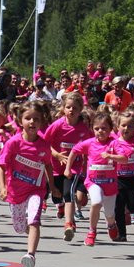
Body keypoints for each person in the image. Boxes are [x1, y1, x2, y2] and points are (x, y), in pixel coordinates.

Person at [0, 102, 58, 267]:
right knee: (19, 227)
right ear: (19, 120)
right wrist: (2, 188)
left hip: (36, 190)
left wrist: (52, 186)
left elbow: (48, 166)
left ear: (42, 122)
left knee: (34, 220)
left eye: (36, 119)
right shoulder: (13, 143)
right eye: (28, 118)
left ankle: (30, 255)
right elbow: (2, 166)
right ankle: (26, 231)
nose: (32, 122)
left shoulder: (44, 145)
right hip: (15, 192)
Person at [66, 111, 130, 246]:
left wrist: (111, 156)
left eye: (104, 128)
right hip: (93, 182)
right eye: (97, 129)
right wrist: (67, 168)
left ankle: (111, 225)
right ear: (92, 129)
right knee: (96, 202)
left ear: (111, 129)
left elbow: (124, 159)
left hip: (110, 185)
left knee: (110, 215)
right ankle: (91, 232)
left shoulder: (114, 144)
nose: (100, 131)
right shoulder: (89, 143)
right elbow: (74, 151)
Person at [44, 93, 92, 241]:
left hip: (74, 168)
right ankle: (65, 210)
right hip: (56, 167)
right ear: (63, 109)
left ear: (80, 110)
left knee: (68, 194)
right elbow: (45, 144)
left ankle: (69, 224)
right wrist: (57, 155)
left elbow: (91, 145)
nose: (71, 110)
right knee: (58, 195)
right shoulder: (57, 125)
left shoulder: (83, 129)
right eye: (68, 107)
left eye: (75, 108)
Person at [113, 109, 134, 242]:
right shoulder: (114, 142)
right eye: (123, 125)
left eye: (130, 126)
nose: (126, 128)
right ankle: (122, 233)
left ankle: (128, 210)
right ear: (118, 126)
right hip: (118, 178)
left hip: (133, 178)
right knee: (118, 207)